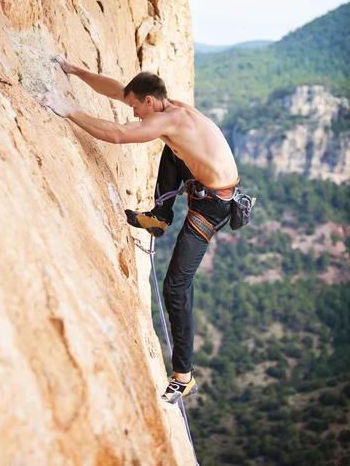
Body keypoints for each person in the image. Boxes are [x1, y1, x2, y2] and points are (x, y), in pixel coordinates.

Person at [41, 55, 239, 405]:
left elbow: (119, 135)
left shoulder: (171, 119)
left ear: (149, 101)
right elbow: (118, 91)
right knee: (170, 146)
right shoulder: (167, 108)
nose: (132, 113)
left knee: (176, 288)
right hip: (204, 183)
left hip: (213, 205)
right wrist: (74, 70)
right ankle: (160, 217)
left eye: (136, 107)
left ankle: (184, 376)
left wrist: (68, 111)